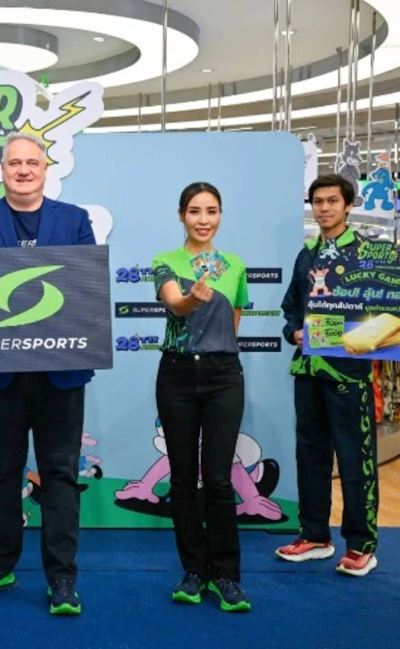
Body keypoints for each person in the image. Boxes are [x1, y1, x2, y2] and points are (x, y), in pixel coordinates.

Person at [0, 131, 96, 615]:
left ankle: (63, 578)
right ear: (2, 170)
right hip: (0, 373)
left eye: (32, 162)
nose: (23, 170)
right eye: (14, 162)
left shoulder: (74, 221)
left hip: (61, 374)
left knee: (60, 475)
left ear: (45, 168)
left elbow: (86, 289)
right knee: (3, 470)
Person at [152, 182, 251, 612]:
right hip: (176, 375)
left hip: (223, 375)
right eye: (194, 211)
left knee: (218, 479)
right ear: (181, 216)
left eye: (211, 211)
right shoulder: (165, 262)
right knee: (181, 479)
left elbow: (234, 322)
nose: (203, 219)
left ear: (220, 216)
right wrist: (192, 298)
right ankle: (193, 572)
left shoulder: (236, 265)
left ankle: (226, 576)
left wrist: (217, 353)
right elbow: (176, 305)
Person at [276, 173, 379, 577]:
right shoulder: (306, 255)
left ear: (348, 205)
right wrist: (295, 332)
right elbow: (290, 307)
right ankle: (315, 535)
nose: (324, 208)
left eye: (332, 201)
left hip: (349, 373)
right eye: (318, 202)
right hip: (308, 370)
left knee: (355, 457)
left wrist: (342, 335)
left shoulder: (368, 254)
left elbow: (384, 312)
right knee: (310, 454)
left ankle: (361, 544)